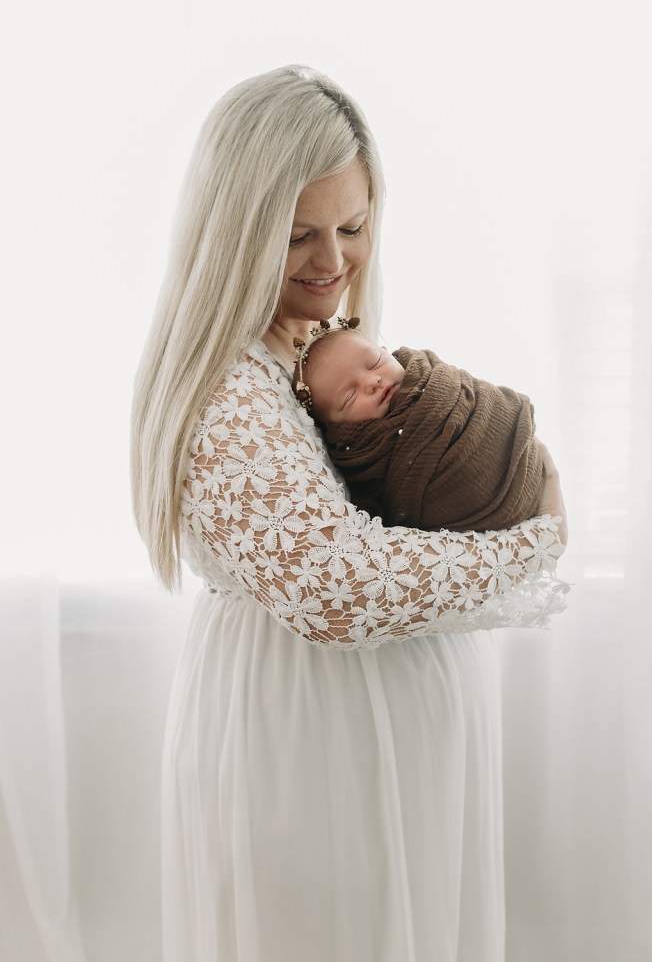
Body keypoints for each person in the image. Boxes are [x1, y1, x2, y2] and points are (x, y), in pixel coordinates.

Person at [130, 65, 568, 962]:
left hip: (389, 753)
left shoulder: (323, 357)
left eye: (353, 226)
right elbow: (339, 588)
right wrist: (534, 540)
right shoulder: (228, 388)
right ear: (234, 236)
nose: (333, 262)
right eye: (297, 236)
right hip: (307, 747)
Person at [291, 319, 544, 532]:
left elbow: (484, 399)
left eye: (375, 362)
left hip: (520, 462)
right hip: (468, 525)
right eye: (349, 396)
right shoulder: (360, 456)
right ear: (335, 430)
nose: (373, 381)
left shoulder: (432, 378)